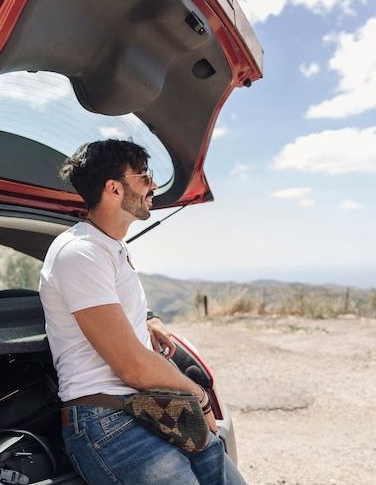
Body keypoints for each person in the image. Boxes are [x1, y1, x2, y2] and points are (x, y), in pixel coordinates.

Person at [39, 139, 247, 485]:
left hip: (150, 407)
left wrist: (148, 318)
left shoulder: (110, 248)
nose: (153, 185)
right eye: (144, 176)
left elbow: (115, 308)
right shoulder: (80, 252)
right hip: (106, 420)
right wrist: (198, 397)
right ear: (114, 189)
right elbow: (131, 366)